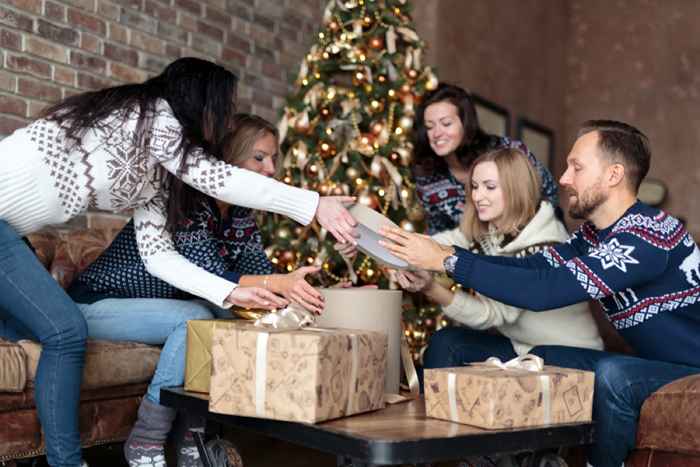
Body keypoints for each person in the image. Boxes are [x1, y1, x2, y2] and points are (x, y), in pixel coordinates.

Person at [0, 57, 356, 467]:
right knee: (66, 332)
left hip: (12, 236)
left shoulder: (158, 177)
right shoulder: (148, 117)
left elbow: (159, 258)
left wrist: (232, 291)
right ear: (201, 100)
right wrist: (312, 205)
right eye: (223, 106)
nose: (223, 121)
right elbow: (215, 178)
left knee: (54, 328)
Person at [380, 120, 700, 467]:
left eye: (576, 167)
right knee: (542, 356)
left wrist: (448, 261)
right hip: (659, 363)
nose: (563, 178)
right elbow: (534, 269)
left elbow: (543, 292)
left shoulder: (647, 237)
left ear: (613, 175)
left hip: (691, 369)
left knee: (615, 377)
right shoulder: (594, 235)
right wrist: (442, 258)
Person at [68, 113, 325, 467]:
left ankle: (193, 434)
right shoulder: (186, 202)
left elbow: (256, 272)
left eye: (274, 158)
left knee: (232, 315)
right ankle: (146, 438)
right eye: (259, 157)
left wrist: (304, 290)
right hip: (97, 305)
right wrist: (277, 284)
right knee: (197, 316)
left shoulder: (239, 214)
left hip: (152, 311)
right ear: (230, 160)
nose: (270, 169)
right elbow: (212, 276)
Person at [393, 147, 602, 375]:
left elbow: (491, 315)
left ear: (516, 189)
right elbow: (444, 243)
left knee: (456, 344)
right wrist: (398, 248)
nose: (478, 196)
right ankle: (436, 407)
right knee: (447, 341)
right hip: (525, 349)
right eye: (474, 186)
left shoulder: (546, 244)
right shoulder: (493, 228)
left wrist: (431, 287)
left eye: (490, 187)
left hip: (569, 357)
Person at [413, 83, 559, 234]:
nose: (436, 133)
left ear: (466, 123)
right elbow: (438, 231)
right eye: (429, 126)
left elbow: (549, 196)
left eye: (446, 124)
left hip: (532, 243)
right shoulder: (426, 176)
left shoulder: (510, 150)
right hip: (471, 252)